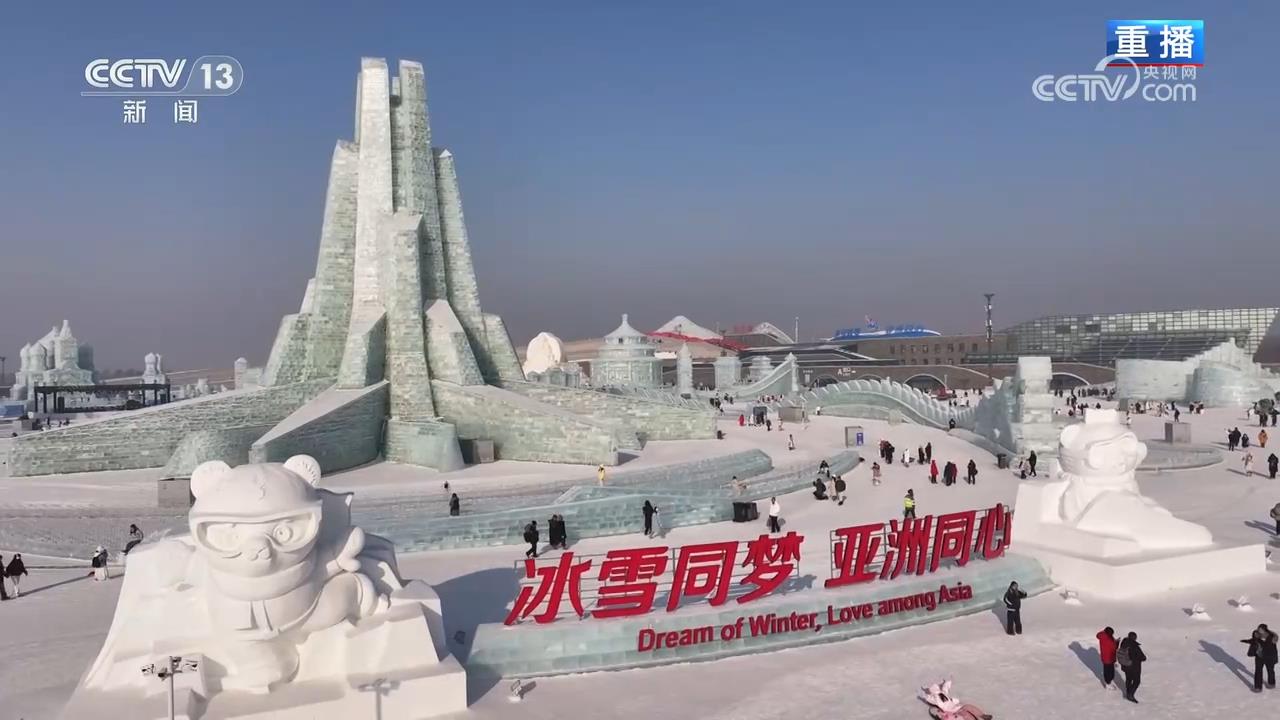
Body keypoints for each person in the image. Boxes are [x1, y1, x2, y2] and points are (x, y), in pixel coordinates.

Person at [1242, 623, 1279, 691]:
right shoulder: (1257, 635)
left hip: (1269, 657)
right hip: (1259, 657)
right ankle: (1258, 687)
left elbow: (1267, 646)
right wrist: (1246, 641)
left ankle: (1271, 683)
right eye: (1259, 628)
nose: (1259, 630)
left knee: (1270, 670)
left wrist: (1260, 641)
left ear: (1265, 630)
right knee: (1258, 671)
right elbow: (1253, 640)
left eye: (1261, 629)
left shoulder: (1270, 637)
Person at [1117, 631, 1146, 703]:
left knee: (1128, 679)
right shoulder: (1135, 646)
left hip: (1125, 666)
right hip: (1134, 667)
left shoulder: (1124, 643)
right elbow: (1143, 657)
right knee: (1137, 681)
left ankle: (1128, 691)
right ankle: (1130, 694)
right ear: (1135, 638)